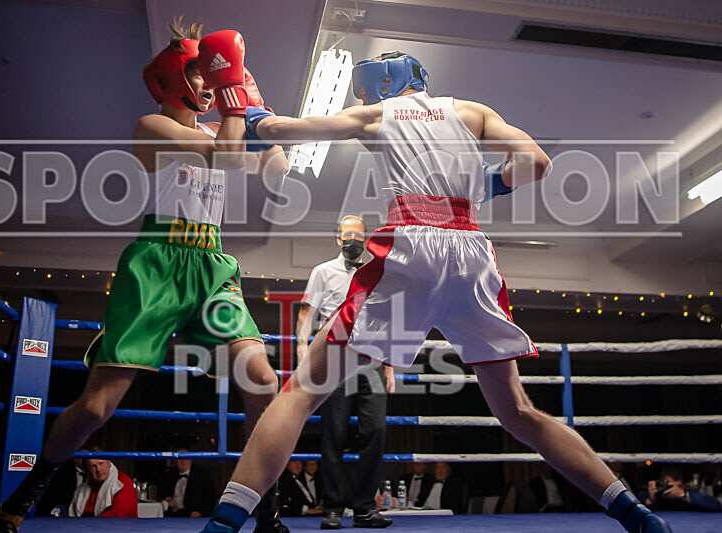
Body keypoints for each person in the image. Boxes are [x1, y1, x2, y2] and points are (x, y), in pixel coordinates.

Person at [200, 51, 673, 533]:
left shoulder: (376, 114)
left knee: (301, 392)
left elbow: (280, 131)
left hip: (409, 245)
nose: (362, 99)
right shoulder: (474, 112)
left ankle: (224, 523)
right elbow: (538, 163)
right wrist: (491, 182)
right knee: (519, 411)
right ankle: (635, 513)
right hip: (472, 253)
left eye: (363, 91)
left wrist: (241, 101)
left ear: (382, 84)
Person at [0, 21, 289, 533]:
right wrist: (235, 101)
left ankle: (266, 509)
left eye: (211, 73)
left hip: (212, 264)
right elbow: (230, 158)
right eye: (199, 74)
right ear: (172, 81)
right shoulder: (151, 127)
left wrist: (254, 103)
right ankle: (23, 495)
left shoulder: (217, 129)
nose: (208, 84)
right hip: (157, 264)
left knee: (262, 381)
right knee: (97, 406)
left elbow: (277, 170)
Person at [296, 214, 393, 529]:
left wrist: (389, 366)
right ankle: (333, 508)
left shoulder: (377, 272)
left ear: (365, 239)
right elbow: (306, 314)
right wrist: (303, 353)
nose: (353, 240)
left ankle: (365, 508)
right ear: (338, 238)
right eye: (348, 235)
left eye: (359, 235)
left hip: (371, 358)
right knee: (333, 434)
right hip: (334, 358)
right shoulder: (323, 272)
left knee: (376, 431)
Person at [67, 450, 137, 518]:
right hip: (87, 524)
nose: (99, 469)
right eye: (93, 466)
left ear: (109, 462)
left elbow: (118, 514)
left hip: (118, 525)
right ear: (88, 470)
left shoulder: (122, 481)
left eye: (101, 463)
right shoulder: (85, 487)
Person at [160, 447, 215, 517]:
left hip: (192, 515)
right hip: (172, 514)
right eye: (179, 458)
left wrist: (200, 512)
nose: (182, 461)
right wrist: (168, 499)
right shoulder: (170, 475)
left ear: (190, 459)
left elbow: (209, 497)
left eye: (185, 457)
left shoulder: (202, 474)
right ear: (175, 461)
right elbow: (162, 493)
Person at [641, 467, 721, 513]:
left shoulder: (691, 494)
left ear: (681, 482)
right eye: (666, 482)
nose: (670, 486)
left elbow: (717, 505)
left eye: (676, 479)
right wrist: (651, 500)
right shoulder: (656, 495)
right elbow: (638, 511)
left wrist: (683, 495)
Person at [35, 448, 87, 516]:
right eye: (83, 458)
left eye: (87, 458)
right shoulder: (64, 472)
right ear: (75, 459)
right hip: (59, 510)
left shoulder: (91, 474)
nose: (86, 461)